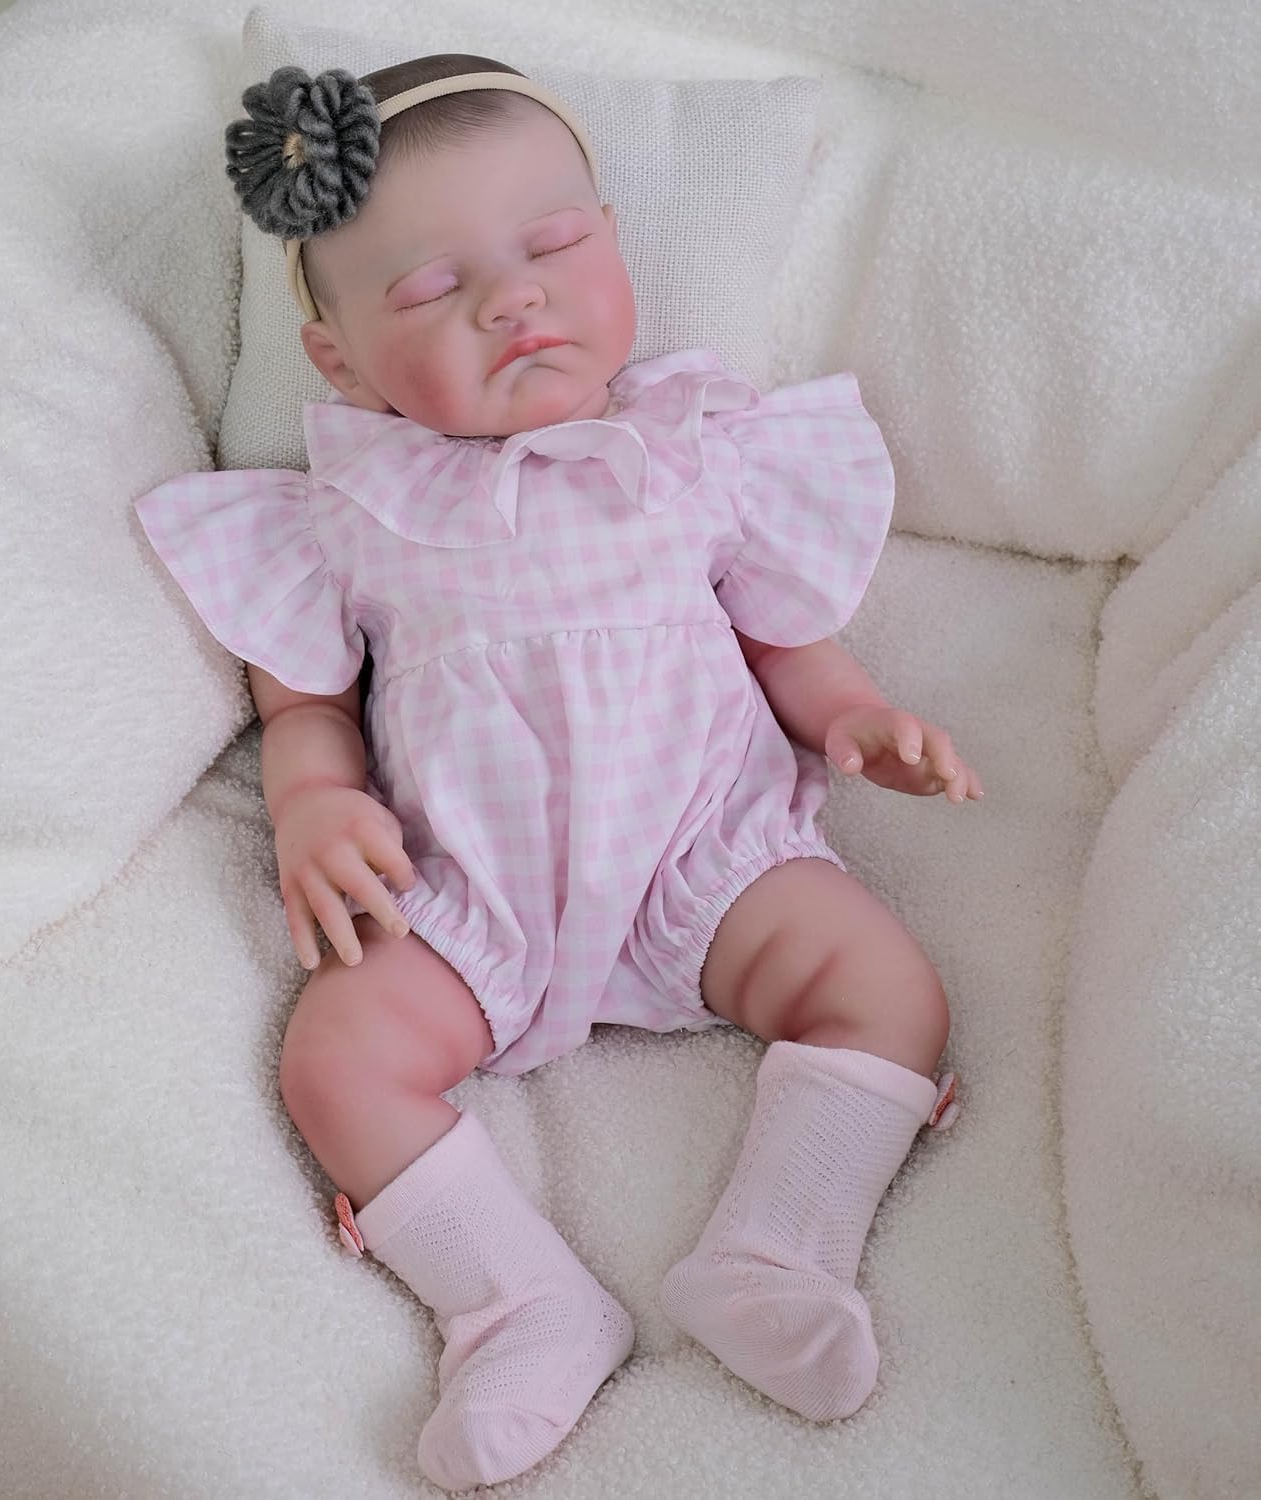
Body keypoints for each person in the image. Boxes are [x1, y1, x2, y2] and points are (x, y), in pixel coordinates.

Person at [135, 53, 980, 1492]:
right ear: (340, 360)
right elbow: (308, 709)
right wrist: (314, 803)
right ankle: (517, 1305)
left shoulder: (695, 449)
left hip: (709, 858)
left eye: (553, 245)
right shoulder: (347, 509)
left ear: (616, 245)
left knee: (890, 986)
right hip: (470, 892)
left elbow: (781, 637)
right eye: (430, 289)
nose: (512, 300)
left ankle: (783, 1247)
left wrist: (853, 716)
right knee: (336, 1059)